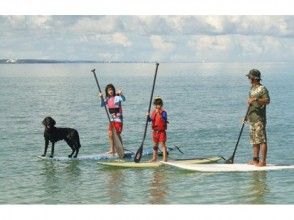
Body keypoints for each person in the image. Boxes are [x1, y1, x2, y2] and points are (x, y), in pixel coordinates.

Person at [246, 69, 270, 167]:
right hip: (252, 118)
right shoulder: (252, 89)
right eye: (249, 77)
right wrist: (246, 116)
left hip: (260, 118)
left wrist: (256, 99)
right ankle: (255, 160)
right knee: (254, 140)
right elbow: (250, 105)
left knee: (262, 140)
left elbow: (267, 101)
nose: (249, 79)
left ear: (255, 78)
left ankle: (263, 162)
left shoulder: (262, 89)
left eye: (250, 77)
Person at [99, 84, 126, 154]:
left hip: (118, 119)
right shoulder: (107, 99)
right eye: (108, 90)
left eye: (111, 90)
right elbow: (102, 105)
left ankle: (121, 148)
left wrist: (121, 94)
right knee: (110, 134)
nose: (110, 91)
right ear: (107, 92)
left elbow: (124, 99)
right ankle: (112, 150)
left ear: (113, 90)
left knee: (117, 134)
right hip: (112, 120)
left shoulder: (117, 97)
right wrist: (101, 97)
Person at [147, 97, 168, 162]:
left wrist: (158, 113)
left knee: (163, 145)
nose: (156, 106)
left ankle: (164, 159)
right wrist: (148, 116)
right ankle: (154, 158)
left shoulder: (163, 112)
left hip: (161, 132)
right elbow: (150, 120)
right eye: (155, 105)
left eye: (158, 105)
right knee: (155, 145)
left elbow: (164, 119)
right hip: (155, 131)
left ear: (161, 105)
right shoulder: (154, 112)